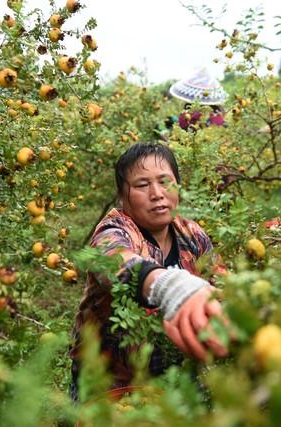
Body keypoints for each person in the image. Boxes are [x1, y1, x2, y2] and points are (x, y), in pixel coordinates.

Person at [69, 142, 228, 400]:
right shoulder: (115, 230)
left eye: (165, 181)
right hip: (109, 386)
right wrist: (167, 285)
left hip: (175, 380)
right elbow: (112, 259)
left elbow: (221, 286)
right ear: (122, 195)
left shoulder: (191, 235)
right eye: (142, 185)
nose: (157, 193)